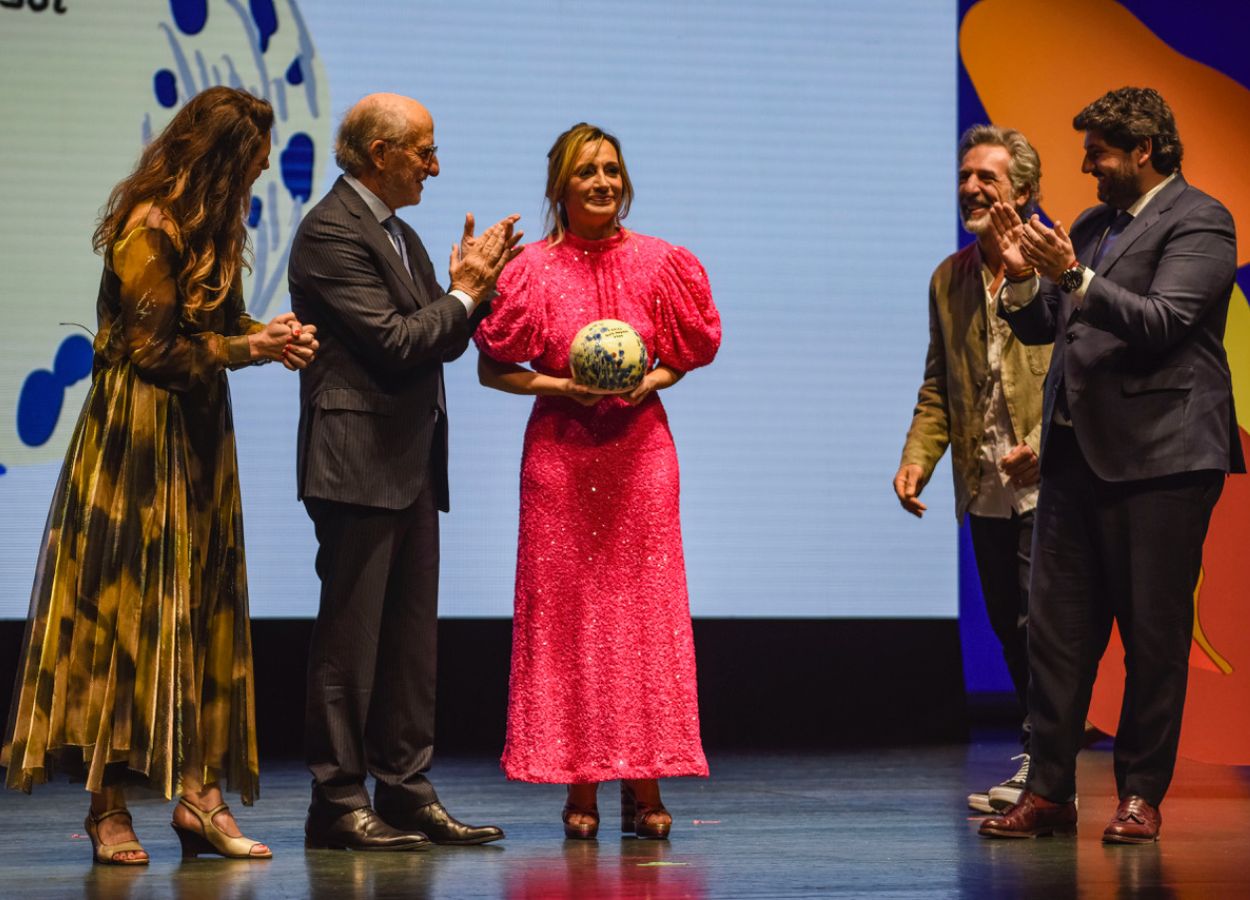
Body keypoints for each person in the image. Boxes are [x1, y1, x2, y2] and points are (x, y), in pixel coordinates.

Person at [2, 86, 318, 864]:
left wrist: (263, 332)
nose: (264, 167)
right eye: (253, 156)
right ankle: (107, 808)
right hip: (135, 439)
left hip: (200, 437)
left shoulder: (214, 226)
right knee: (125, 616)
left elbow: (215, 324)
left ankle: (200, 801)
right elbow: (158, 351)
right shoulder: (148, 229)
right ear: (219, 156)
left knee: (203, 606)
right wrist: (247, 350)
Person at [979, 87, 1244, 843]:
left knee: (1153, 637)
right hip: (1076, 458)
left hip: (1162, 459)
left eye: (1098, 152)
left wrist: (1074, 276)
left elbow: (1161, 323)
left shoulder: (1201, 220)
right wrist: (1022, 275)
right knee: (1055, 638)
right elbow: (1045, 325)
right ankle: (1052, 792)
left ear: (1144, 152)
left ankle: (1139, 794)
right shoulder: (1093, 225)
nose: (1086, 165)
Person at [475, 123, 721, 840]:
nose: (603, 183)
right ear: (561, 185)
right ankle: (579, 787)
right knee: (572, 624)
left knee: (644, 622)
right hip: (561, 458)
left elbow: (688, 351)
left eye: (612, 170)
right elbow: (493, 367)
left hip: (640, 457)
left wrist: (653, 381)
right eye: (587, 172)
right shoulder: (528, 270)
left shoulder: (660, 262)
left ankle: (646, 786)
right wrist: (561, 384)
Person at [290, 93, 520, 851]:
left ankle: (404, 787)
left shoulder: (402, 235)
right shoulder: (330, 231)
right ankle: (337, 800)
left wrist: (470, 292)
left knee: (410, 640)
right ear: (379, 153)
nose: (435, 164)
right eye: (422, 149)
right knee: (350, 642)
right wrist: (464, 291)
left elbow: (438, 339)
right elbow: (396, 341)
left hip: (411, 459)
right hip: (357, 461)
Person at [895, 125, 1050, 815]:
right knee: (1004, 620)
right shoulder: (949, 277)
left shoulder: (1054, 262)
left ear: (1024, 191)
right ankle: (1042, 755)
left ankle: (1043, 765)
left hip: (1049, 481)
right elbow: (940, 382)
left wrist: (1045, 442)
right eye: (965, 175)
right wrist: (918, 456)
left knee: (1037, 623)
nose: (971, 187)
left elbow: (1081, 369)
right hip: (984, 484)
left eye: (986, 177)